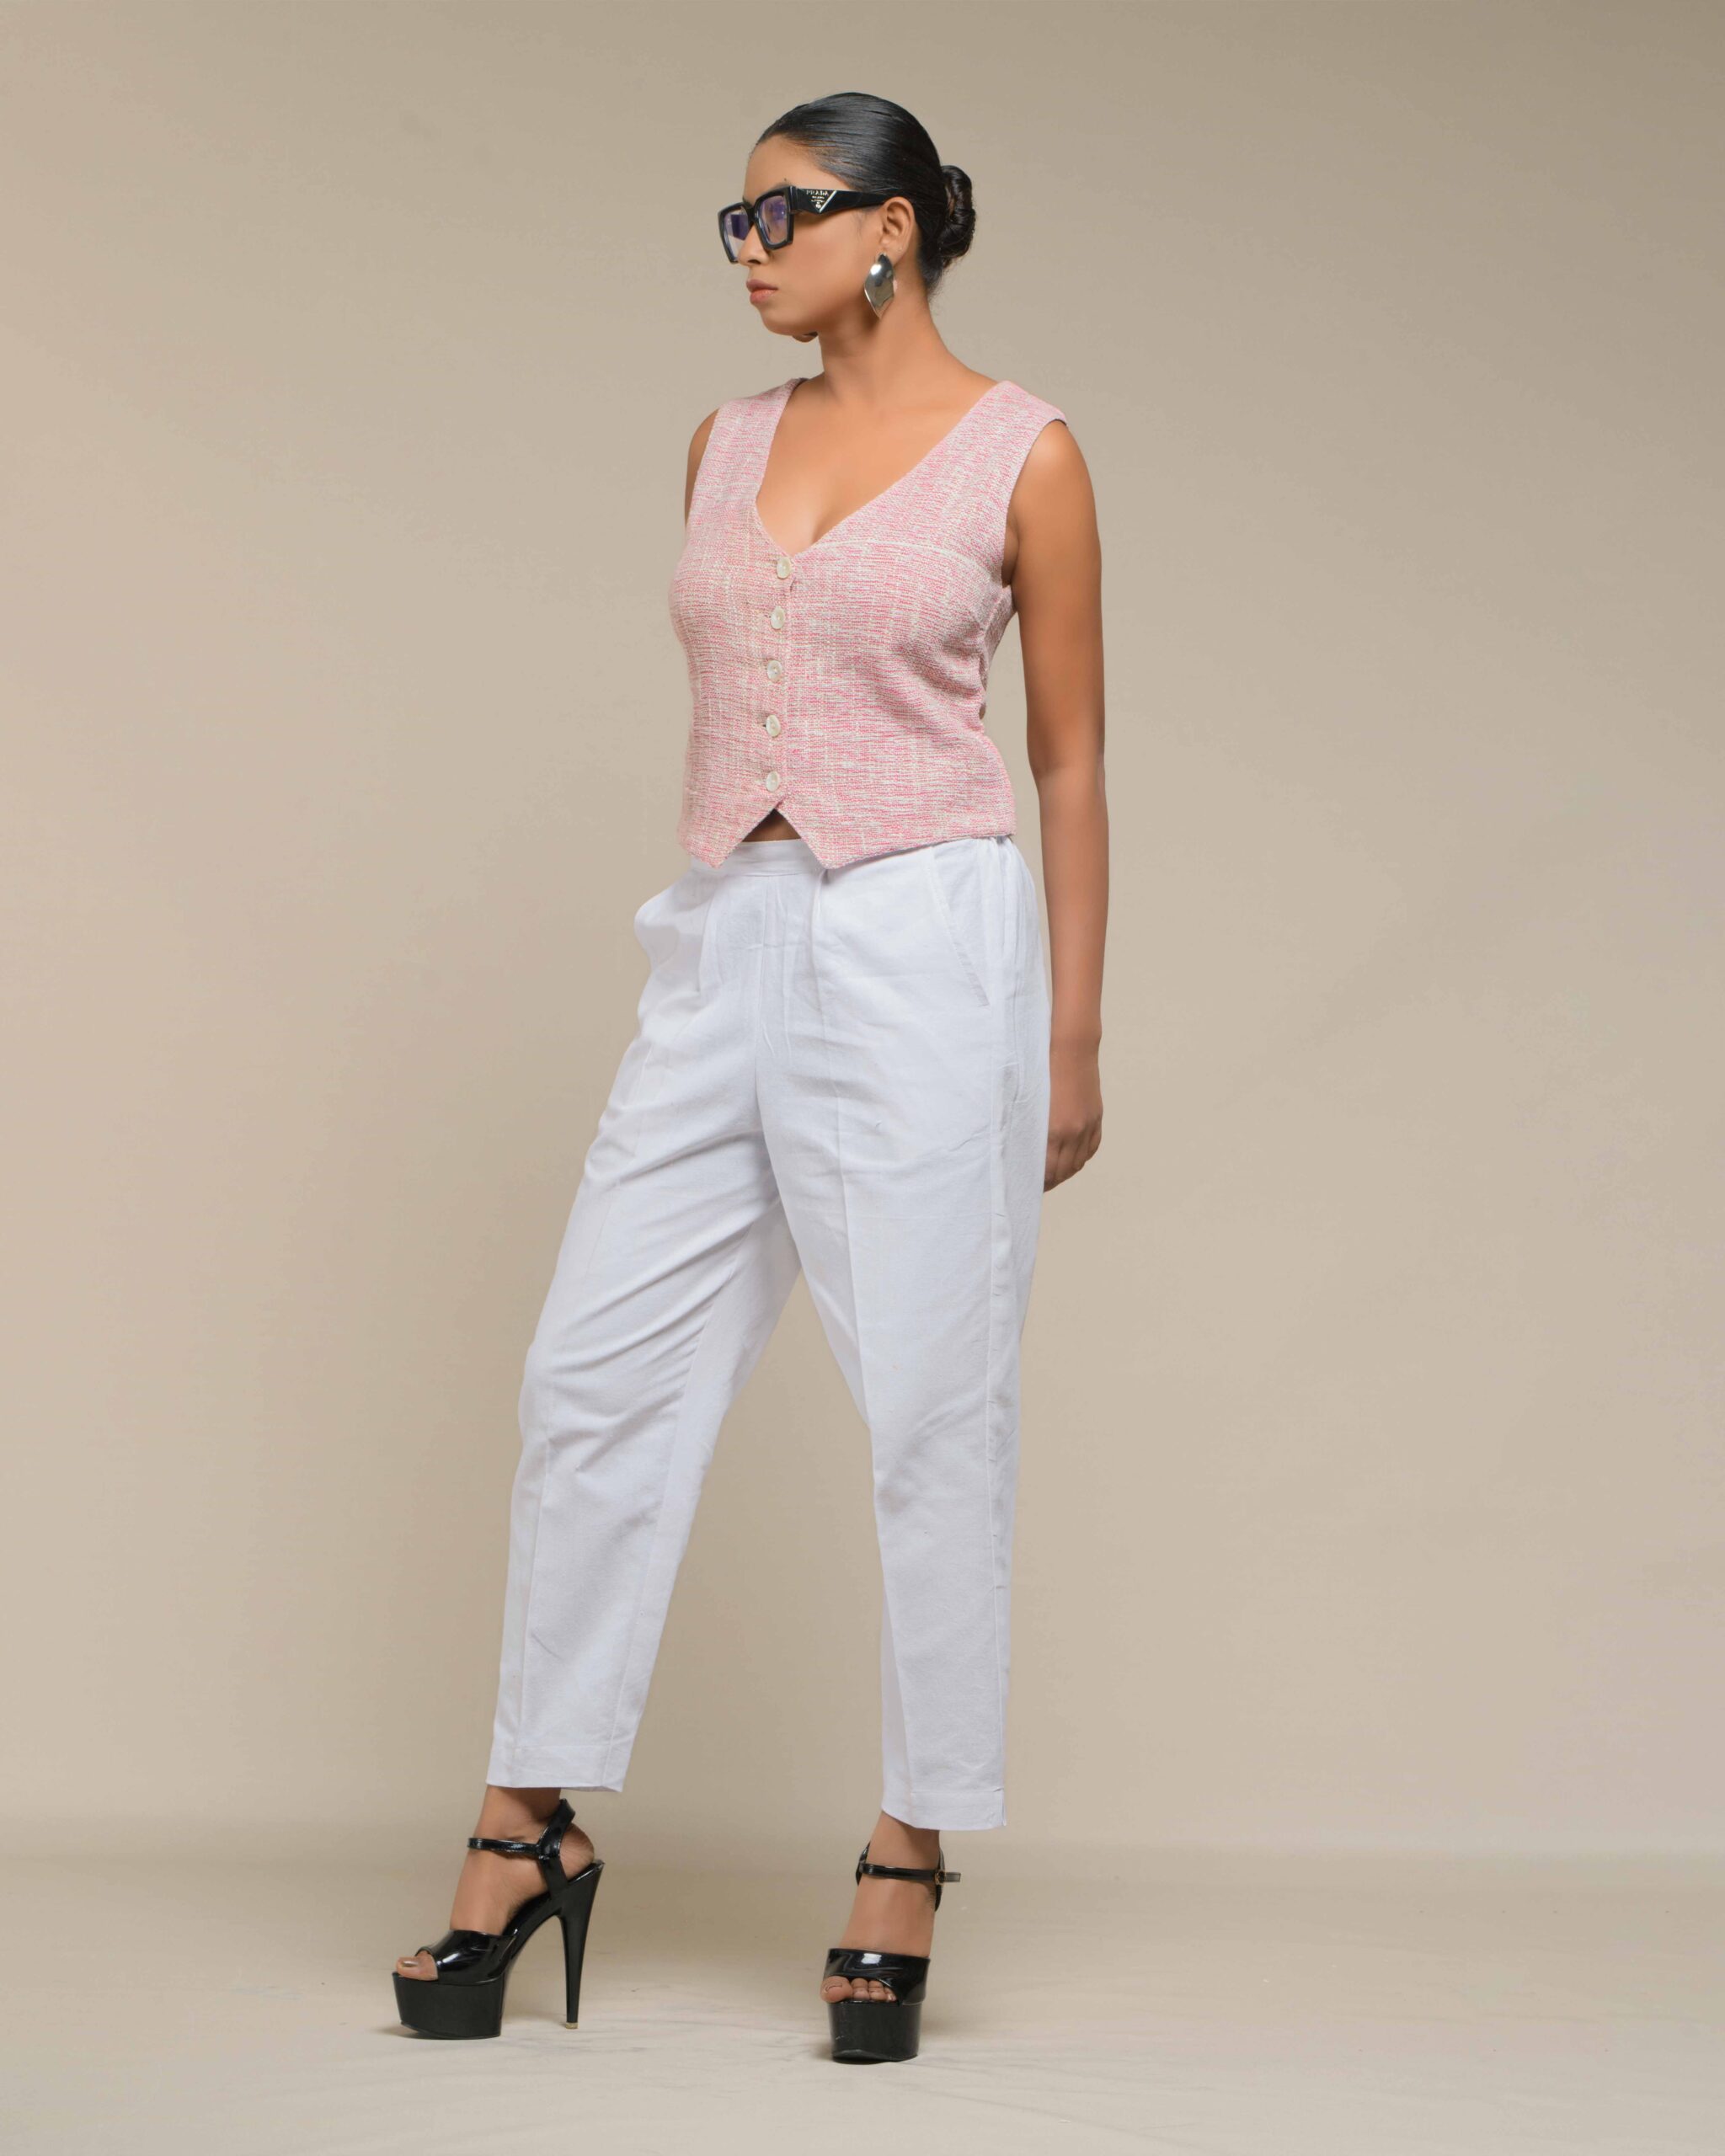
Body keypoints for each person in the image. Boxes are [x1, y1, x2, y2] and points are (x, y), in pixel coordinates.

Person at [393, 90, 1107, 2063]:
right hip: (725, 930)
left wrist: (1071, 1030)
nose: (745, 247)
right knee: (591, 1373)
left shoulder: (1027, 454)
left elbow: (1066, 758)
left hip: (929, 935)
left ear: (890, 229)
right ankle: (529, 1812)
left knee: (932, 1403)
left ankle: (908, 1844)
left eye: (782, 213)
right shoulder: (720, 442)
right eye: (735, 216)